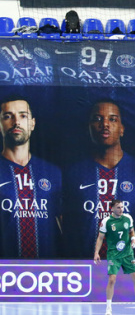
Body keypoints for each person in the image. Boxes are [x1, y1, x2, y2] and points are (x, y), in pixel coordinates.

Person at [64, 100, 135, 259]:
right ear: (89, 128)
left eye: (112, 119)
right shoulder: (73, 174)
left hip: (131, 268)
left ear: (122, 129)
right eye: (97, 119)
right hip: (86, 269)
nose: (105, 124)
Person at [0, 95, 62, 258]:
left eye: (23, 116)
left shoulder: (52, 172)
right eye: (8, 116)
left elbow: (64, 228)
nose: (16, 122)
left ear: (32, 123)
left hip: (47, 268)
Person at [94, 199, 135, 315]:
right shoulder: (106, 222)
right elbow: (100, 238)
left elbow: (131, 231)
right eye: (118, 207)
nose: (121, 209)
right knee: (112, 280)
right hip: (113, 255)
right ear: (112, 208)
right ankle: (108, 309)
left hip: (127, 253)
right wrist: (96, 252)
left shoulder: (128, 218)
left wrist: (133, 239)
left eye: (122, 207)